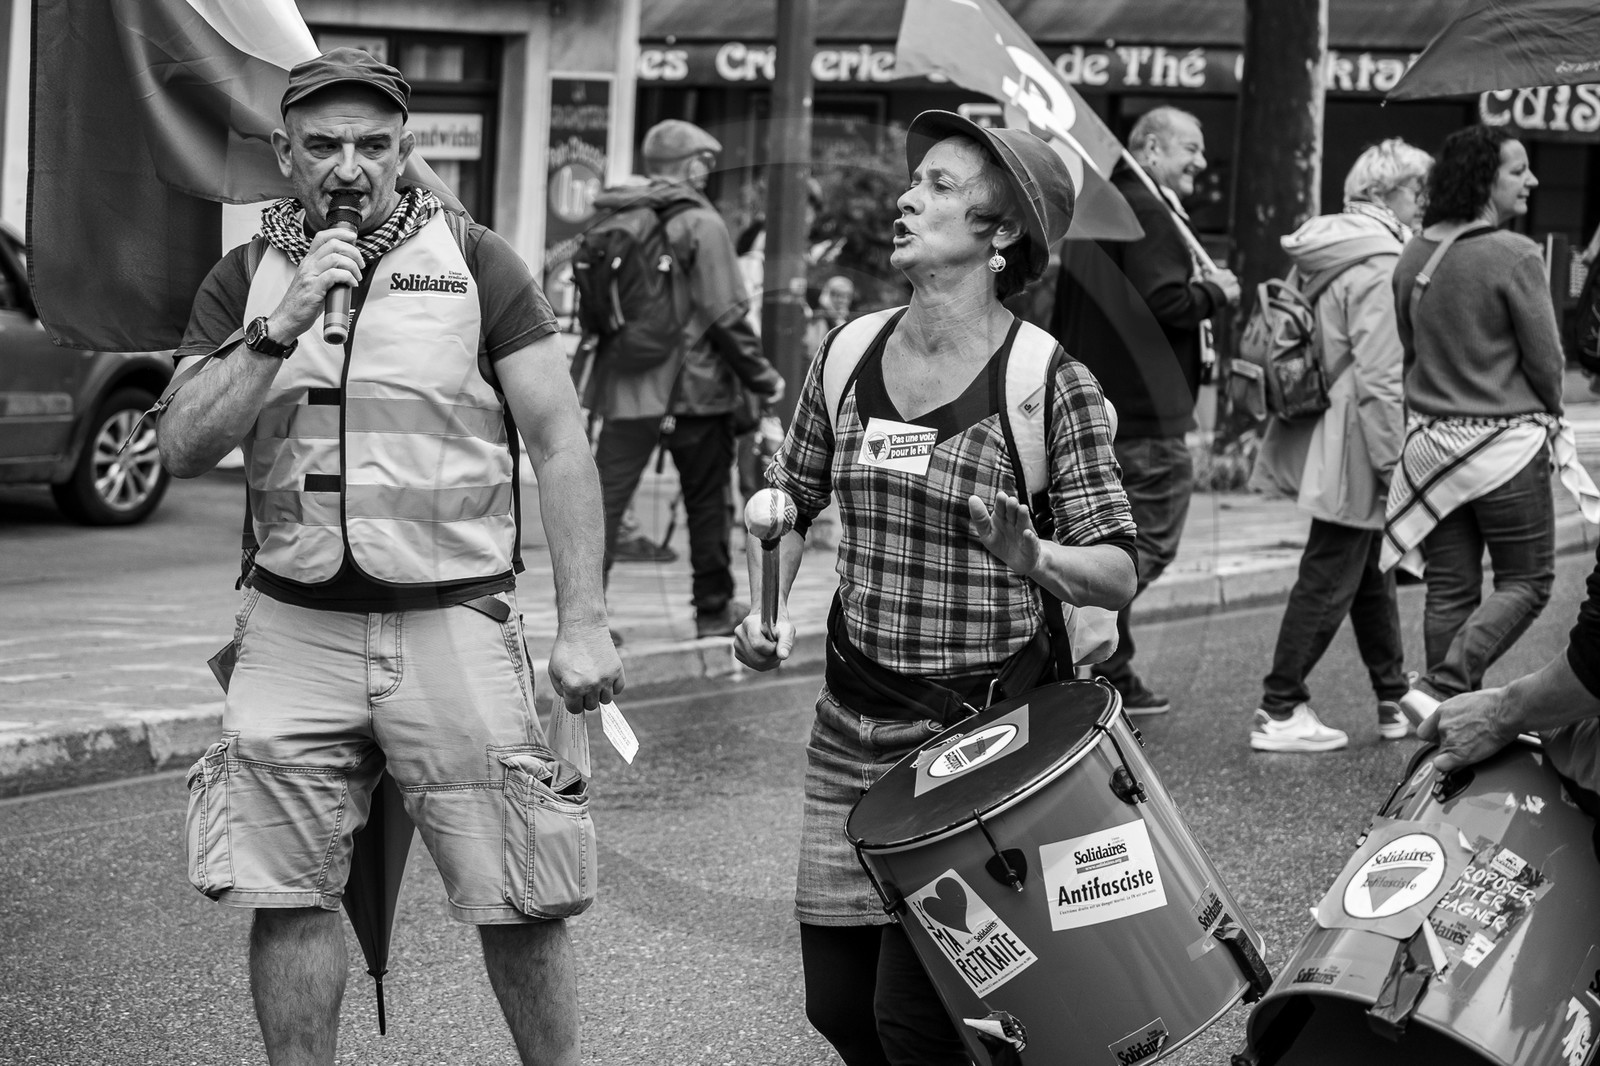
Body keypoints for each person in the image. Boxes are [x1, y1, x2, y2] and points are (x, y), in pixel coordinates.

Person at [155, 49, 622, 1065]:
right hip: (293, 625)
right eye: (324, 145)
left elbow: (560, 443)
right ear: (285, 154)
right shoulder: (244, 278)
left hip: (455, 619)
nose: (349, 167)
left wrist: (584, 622)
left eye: (373, 144)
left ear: (406, 151)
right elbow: (182, 445)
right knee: (284, 892)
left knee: (521, 891)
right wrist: (277, 327)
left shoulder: (479, 260)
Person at [735, 111, 1136, 1065]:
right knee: (838, 1007)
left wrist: (1034, 557)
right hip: (851, 725)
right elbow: (790, 500)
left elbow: (1118, 570)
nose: (910, 197)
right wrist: (763, 609)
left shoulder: (1046, 381)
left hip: (980, 741)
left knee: (919, 1023)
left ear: (1002, 233)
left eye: (943, 186)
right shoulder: (848, 353)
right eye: (918, 180)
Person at [1050, 106, 1241, 714]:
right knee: (1143, 545)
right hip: (1144, 414)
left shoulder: (1102, 213)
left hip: (1101, 407)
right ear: (1152, 150)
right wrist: (1215, 292)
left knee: (1111, 536)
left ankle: (1112, 666)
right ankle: (1077, 624)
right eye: (1191, 148)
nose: (1202, 162)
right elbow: (1164, 304)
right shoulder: (1150, 213)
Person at [1246, 139, 1433, 753]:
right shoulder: (1380, 260)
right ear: (1382, 193)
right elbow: (1381, 377)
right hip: (1359, 436)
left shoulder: (1327, 244)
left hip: (1328, 424)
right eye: (1416, 189)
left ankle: (1393, 695)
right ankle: (1280, 707)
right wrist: (1394, 464)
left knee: (1368, 564)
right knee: (1332, 568)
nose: (1424, 201)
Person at [1382, 125, 1565, 725]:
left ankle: (1446, 718)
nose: (1531, 179)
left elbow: (1411, 349)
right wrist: (1551, 413)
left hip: (1432, 449)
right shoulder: (1516, 254)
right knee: (1528, 580)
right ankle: (1444, 685)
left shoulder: (1413, 255)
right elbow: (1547, 363)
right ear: (1484, 178)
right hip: (1505, 447)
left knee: (1450, 586)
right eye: (1518, 169)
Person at [592, 119, 784, 638]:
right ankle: (713, 609)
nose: (708, 170)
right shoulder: (701, 221)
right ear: (693, 164)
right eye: (705, 161)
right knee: (706, 502)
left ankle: (586, 616)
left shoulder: (617, 214)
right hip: (694, 387)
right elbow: (725, 313)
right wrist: (763, 377)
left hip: (625, 386)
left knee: (601, 504)